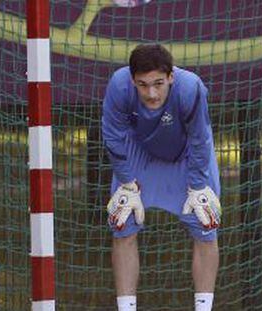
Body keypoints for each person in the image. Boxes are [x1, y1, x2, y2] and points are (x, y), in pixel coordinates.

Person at [102, 44, 221, 311]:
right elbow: (113, 136)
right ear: (133, 80)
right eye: (143, 85)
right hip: (138, 152)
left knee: (206, 226)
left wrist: (198, 185)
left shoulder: (191, 88)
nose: (151, 93)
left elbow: (200, 139)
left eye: (158, 83)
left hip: (185, 153)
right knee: (122, 225)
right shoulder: (119, 86)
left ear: (171, 77)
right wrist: (127, 183)